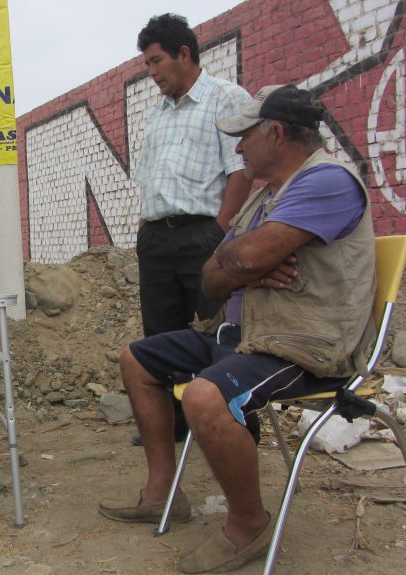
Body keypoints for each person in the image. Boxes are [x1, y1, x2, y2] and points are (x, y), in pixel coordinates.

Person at [99, 84, 377, 574]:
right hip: (247, 335)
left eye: (245, 136)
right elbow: (212, 276)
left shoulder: (327, 180)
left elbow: (240, 257)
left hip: (303, 345)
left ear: (275, 132)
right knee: (137, 359)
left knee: (204, 397)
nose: (239, 147)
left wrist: (241, 263)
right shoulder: (267, 195)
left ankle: (249, 523)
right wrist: (244, 266)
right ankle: (162, 493)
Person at [132, 13, 254, 443]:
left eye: (156, 61)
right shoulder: (157, 114)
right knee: (161, 335)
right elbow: (149, 176)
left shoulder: (226, 98)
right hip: (157, 238)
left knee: (218, 330)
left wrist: (220, 231)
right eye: (146, 64)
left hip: (204, 234)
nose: (151, 73)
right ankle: (174, 422)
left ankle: (233, 421)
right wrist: (145, 228)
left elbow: (241, 171)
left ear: (184, 53)